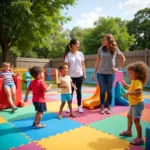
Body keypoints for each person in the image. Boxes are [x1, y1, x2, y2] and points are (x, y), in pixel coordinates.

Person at [92, 34, 126, 114]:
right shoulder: (100, 49)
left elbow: (123, 58)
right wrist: (94, 73)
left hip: (110, 73)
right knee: (103, 89)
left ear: (110, 41)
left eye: (105, 40)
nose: (103, 41)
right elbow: (97, 61)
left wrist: (118, 68)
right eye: (103, 40)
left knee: (109, 91)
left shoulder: (115, 49)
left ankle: (109, 107)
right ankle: (102, 107)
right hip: (100, 73)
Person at [120, 61, 149, 145]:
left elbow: (138, 92)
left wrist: (127, 93)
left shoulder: (137, 82)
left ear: (138, 74)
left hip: (138, 104)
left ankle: (140, 138)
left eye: (131, 73)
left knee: (136, 120)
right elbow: (132, 88)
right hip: (133, 104)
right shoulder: (134, 81)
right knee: (129, 116)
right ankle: (129, 131)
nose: (130, 75)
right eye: (129, 73)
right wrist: (126, 85)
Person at [64, 38, 86, 113]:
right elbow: (66, 66)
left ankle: (79, 106)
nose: (79, 45)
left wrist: (84, 74)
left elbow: (83, 65)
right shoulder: (68, 55)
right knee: (70, 92)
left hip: (80, 75)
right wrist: (66, 76)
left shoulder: (80, 54)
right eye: (77, 44)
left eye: (79, 44)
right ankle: (69, 107)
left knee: (79, 91)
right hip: (71, 76)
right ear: (73, 45)